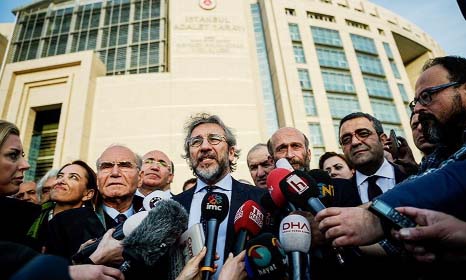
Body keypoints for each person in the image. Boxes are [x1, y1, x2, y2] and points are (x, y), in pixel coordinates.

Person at [315, 56, 466, 269]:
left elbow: (452, 176)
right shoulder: (434, 160)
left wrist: (374, 216)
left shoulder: (421, 175)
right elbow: (397, 243)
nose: (418, 110)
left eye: (427, 96)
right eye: (416, 102)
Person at [0, 120, 123, 280]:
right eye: (60, 176)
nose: (61, 181)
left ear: (88, 194)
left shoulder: (94, 226)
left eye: (73, 177)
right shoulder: (24, 213)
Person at [173, 113, 266, 279]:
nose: (204, 147)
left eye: (214, 139)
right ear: (189, 156)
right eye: (196, 142)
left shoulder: (260, 200)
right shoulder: (173, 206)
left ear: (231, 153)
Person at [338, 112, 408, 205]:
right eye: (346, 139)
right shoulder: (339, 195)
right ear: (342, 149)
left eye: (363, 134)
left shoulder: (414, 175)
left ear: (383, 140)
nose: (354, 142)